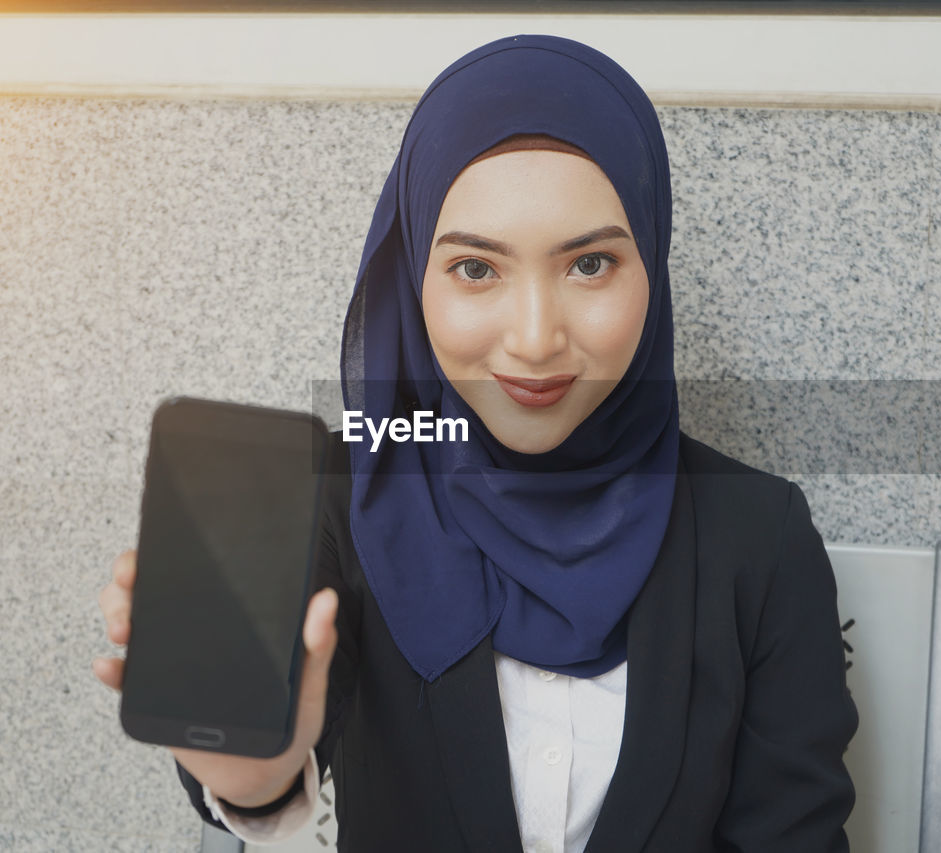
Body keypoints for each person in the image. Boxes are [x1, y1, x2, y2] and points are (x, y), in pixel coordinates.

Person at [94, 34, 857, 852]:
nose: (534, 340)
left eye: (591, 263)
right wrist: (257, 780)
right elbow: (268, 741)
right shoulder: (347, 492)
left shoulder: (760, 536)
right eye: (476, 270)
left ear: (653, 265)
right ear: (412, 274)